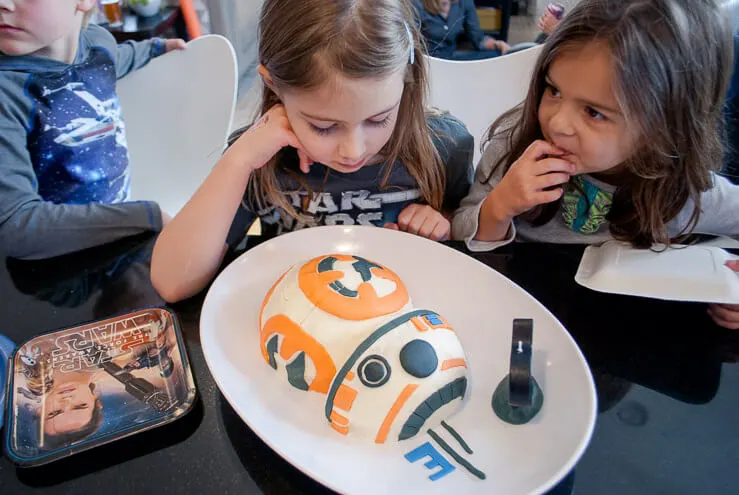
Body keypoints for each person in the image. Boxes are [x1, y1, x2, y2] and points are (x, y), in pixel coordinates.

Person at [150, 0, 475, 303]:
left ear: (407, 80)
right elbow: (173, 282)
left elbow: (470, 233)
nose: (352, 150)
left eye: (379, 119)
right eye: (323, 126)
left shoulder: (445, 146)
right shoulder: (260, 160)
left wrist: (443, 224)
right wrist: (238, 161)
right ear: (274, 85)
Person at [451, 0, 739, 329]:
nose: (558, 123)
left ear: (665, 126)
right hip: (520, 321)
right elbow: (460, 235)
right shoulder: (513, 147)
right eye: (554, 90)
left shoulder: (685, 192)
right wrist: (499, 207)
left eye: (594, 112)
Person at [0, 0, 185, 260]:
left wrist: (157, 48)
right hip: (62, 269)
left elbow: (118, 58)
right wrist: (145, 217)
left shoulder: (99, 44)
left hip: (120, 236)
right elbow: (16, 227)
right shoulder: (6, 94)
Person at [414, 0, 510, 60]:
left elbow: (478, 40)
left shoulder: (464, 2)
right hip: (427, 62)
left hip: (452, 59)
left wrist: (497, 44)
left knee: (497, 55)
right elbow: (410, 45)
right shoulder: (416, 4)